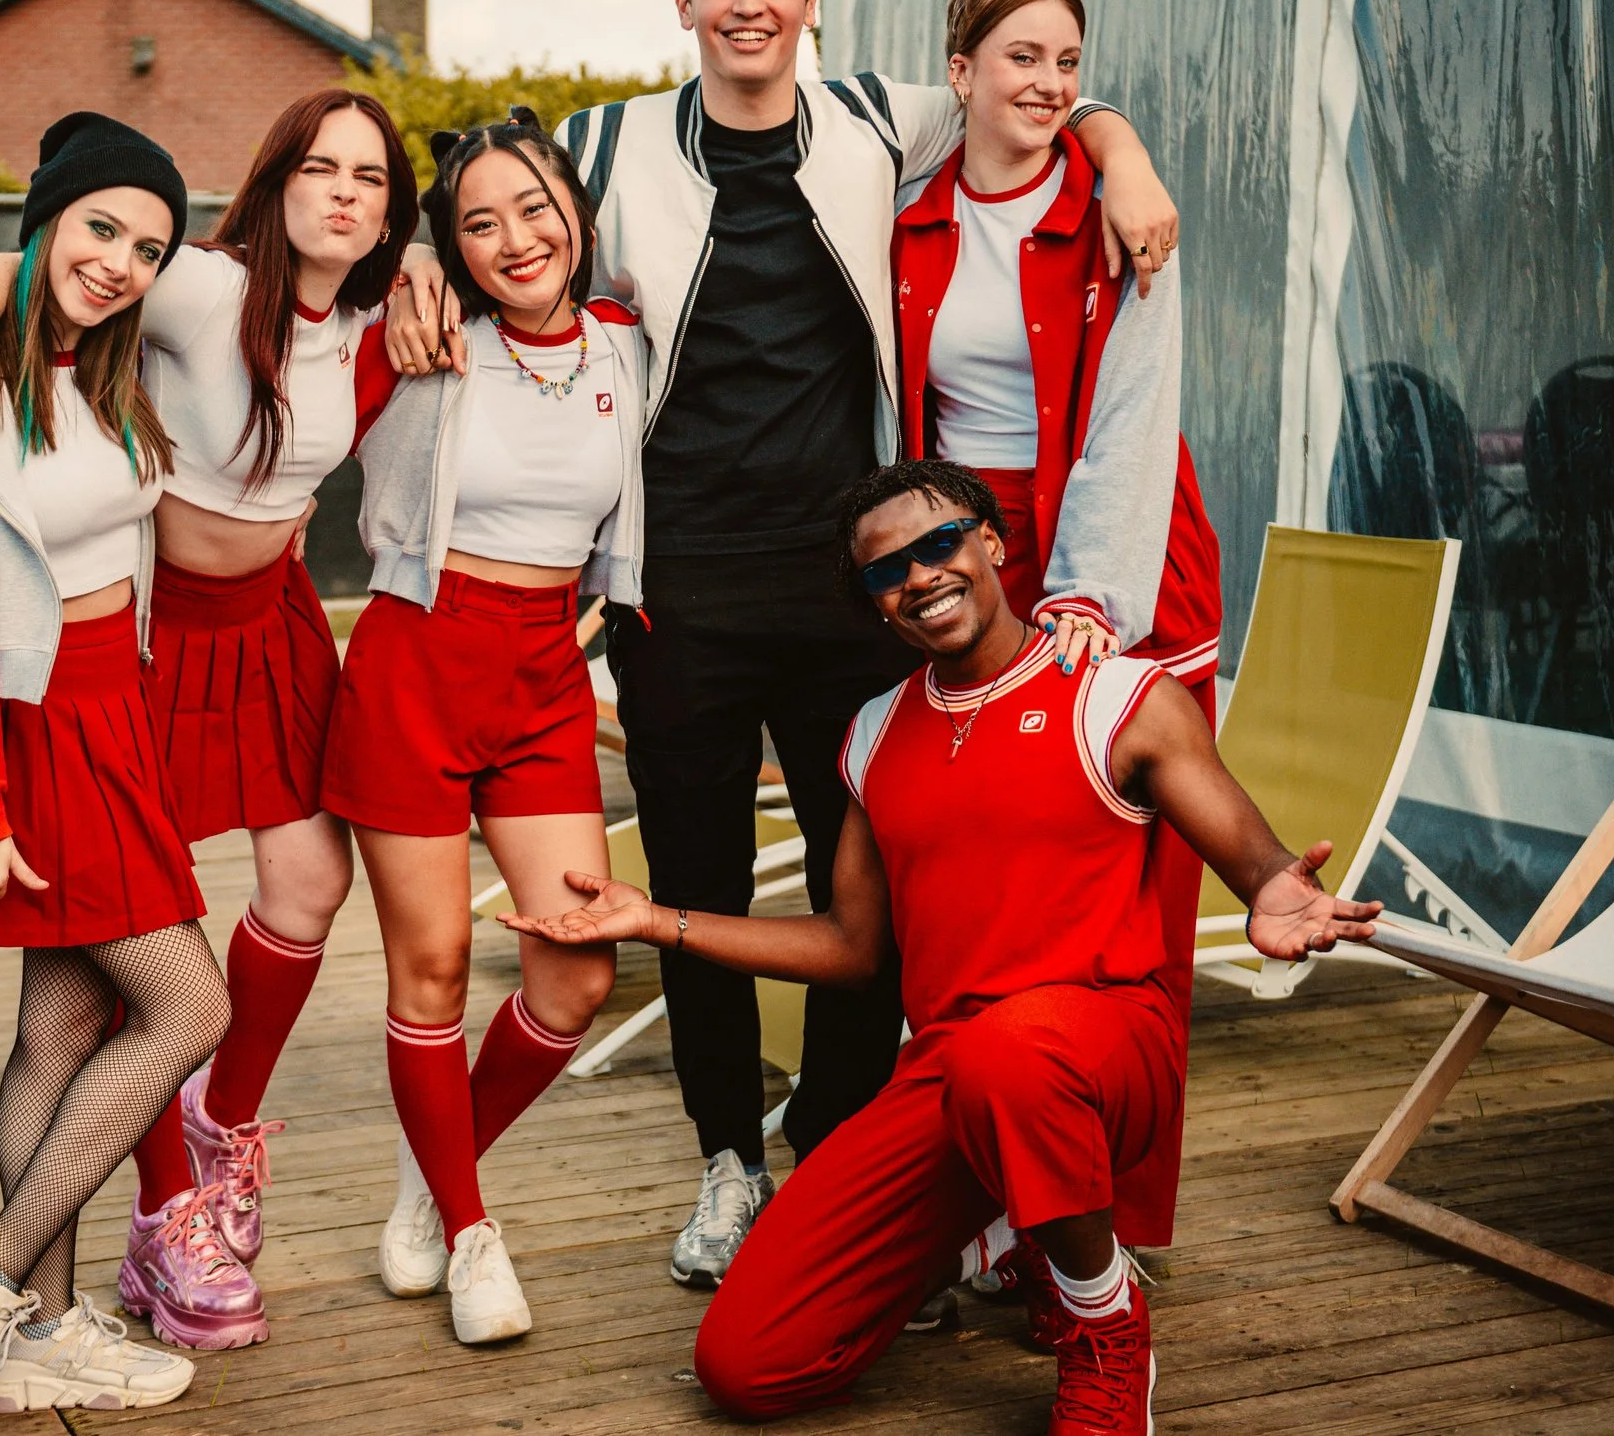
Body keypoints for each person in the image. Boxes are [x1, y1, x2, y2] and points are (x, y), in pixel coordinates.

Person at [387, 0, 1183, 1289]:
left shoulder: (883, 117)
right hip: (674, 589)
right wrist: (409, 259)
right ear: (682, 1)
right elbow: (471, 204)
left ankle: (830, 1139)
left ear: (810, 0)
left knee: (862, 883)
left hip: (849, 594)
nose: (748, 3)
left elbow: (1030, 88)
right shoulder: (602, 140)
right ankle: (725, 1162)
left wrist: (1119, 147)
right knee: (689, 883)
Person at [502, 460, 1379, 1435]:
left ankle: (1106, 1324)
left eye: (938, 543)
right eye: (887, 570)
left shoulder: (1117, 694)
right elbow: (849, 946)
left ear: (991, 541)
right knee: (744, 1362)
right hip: (953, 1074)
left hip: (1104, 1051)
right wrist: (653, 919)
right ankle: (1000, 1229)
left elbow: (1256, 861)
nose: (918, 575)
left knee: (1011, 1055)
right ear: (872, 603)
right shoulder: (875, 733)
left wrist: (1276, 894)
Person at [0, 89, 421, 1350]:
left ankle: (215, 1125)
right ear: (274, 179)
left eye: (372, 177)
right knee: (128, 962)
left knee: (302, 882)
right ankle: (156, 1217)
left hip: (273, 619)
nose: (345, 192)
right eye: (319, 166)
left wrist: (435, 279)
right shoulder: (190, 281)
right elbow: (27, 252)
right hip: (147, 632)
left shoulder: (380, 314)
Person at [0, 113, 226, 1432]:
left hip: (113, 723)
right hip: (34, 733)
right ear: (46, 225)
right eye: (99, 228)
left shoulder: (99, 372)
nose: (122, 259)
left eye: (148, 243)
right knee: (192, 1010)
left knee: (64, 1029)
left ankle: (45, 1338)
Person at [892, 0, 1227, 1277]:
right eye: (1021, 56)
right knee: (985, 879)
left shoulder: (1119, 211)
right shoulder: (902, 205)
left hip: (1119, 546)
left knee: (1128, 901)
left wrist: (1090, 592)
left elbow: (1137, 416)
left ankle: (1115, 1225)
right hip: (972, 554)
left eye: (1071, 65)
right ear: (958, 71)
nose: (1046, 81)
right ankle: (984, 1201)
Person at [327, 110, 642, 1345]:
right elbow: (279, 338)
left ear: (577, 216)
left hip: (545, 669)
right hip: (416, 660)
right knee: (437, 968)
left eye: (534, 208)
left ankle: (430, 1173)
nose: (515, 239)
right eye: (477, 223)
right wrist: (406, 248)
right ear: (450, 247)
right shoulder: (421, 339)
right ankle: (470, 1232)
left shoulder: (627, 344)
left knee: (576, 965)